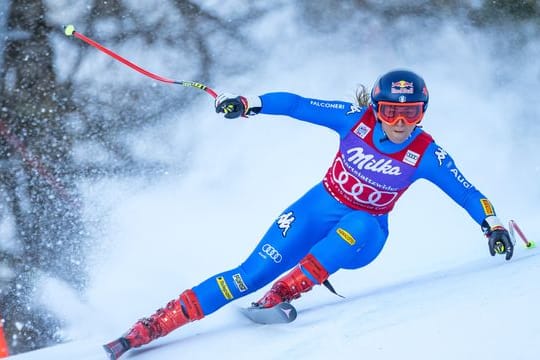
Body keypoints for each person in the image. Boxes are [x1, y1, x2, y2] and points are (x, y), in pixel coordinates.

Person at [103, 69, 514, 359]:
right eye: (391, 112)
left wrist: (491, 225)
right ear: (376, 109)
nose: (400, 123)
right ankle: (150, 328)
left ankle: (283, 293)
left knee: (360, 220)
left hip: (363, 237)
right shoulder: (352, 120)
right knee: (246, 274)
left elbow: (467, 191)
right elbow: (298, 104)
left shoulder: (426, 153)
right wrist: (250, 104)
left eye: (412, 114)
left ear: (423, 113)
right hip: (316, 209)